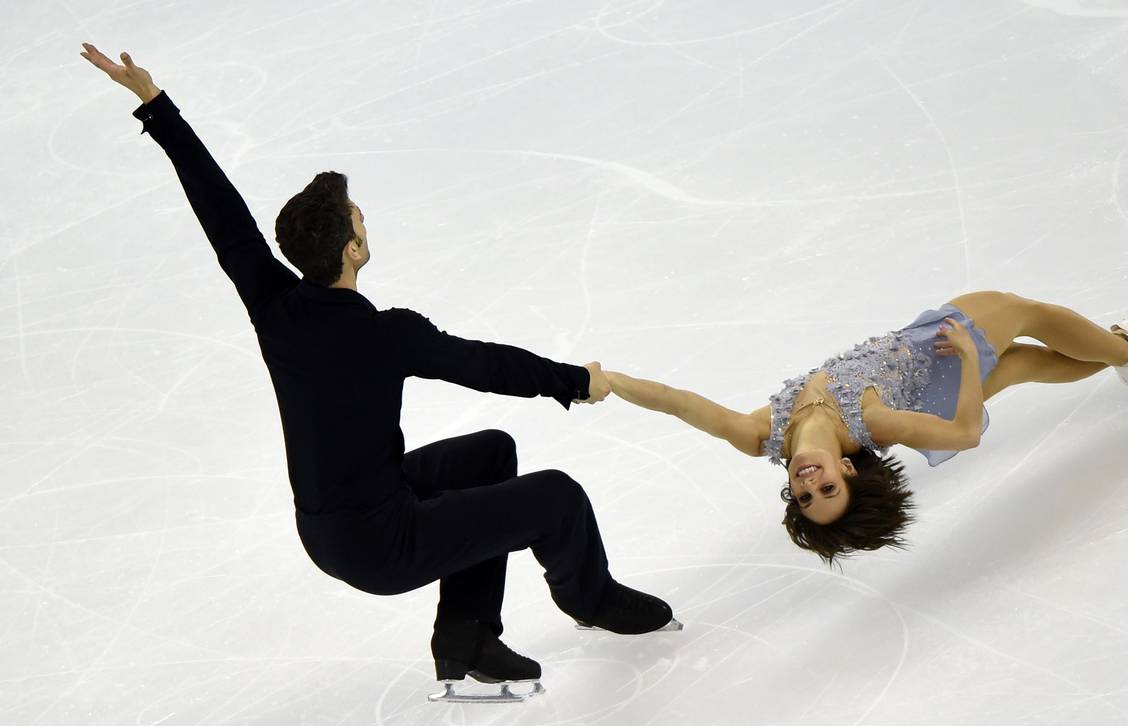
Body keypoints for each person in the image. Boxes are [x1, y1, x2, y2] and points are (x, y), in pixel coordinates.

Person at [79, 43, 678, 704]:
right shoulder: (384, 334)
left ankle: (466, 638)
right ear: (351, 248)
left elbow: (222, 214)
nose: (367, 222)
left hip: (328, 526)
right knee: (557, 497)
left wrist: (156, 106)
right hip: (381, 543)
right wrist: (574, 380)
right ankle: (591, 599)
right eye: (360, 220)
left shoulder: (275, 306)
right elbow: (484, 365)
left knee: (491, 454)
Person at [604, 291, 1128, 562]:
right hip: (944, 356)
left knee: (1029, 361)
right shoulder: (867, 420)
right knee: (1027, 315)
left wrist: (604, 382)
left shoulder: (763, 434)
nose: (810, 481)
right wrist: (973, 363)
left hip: (929, 376)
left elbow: (679, 402)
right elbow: (968, 434)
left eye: (804, 495)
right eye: (829, 491)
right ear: (848, 471)